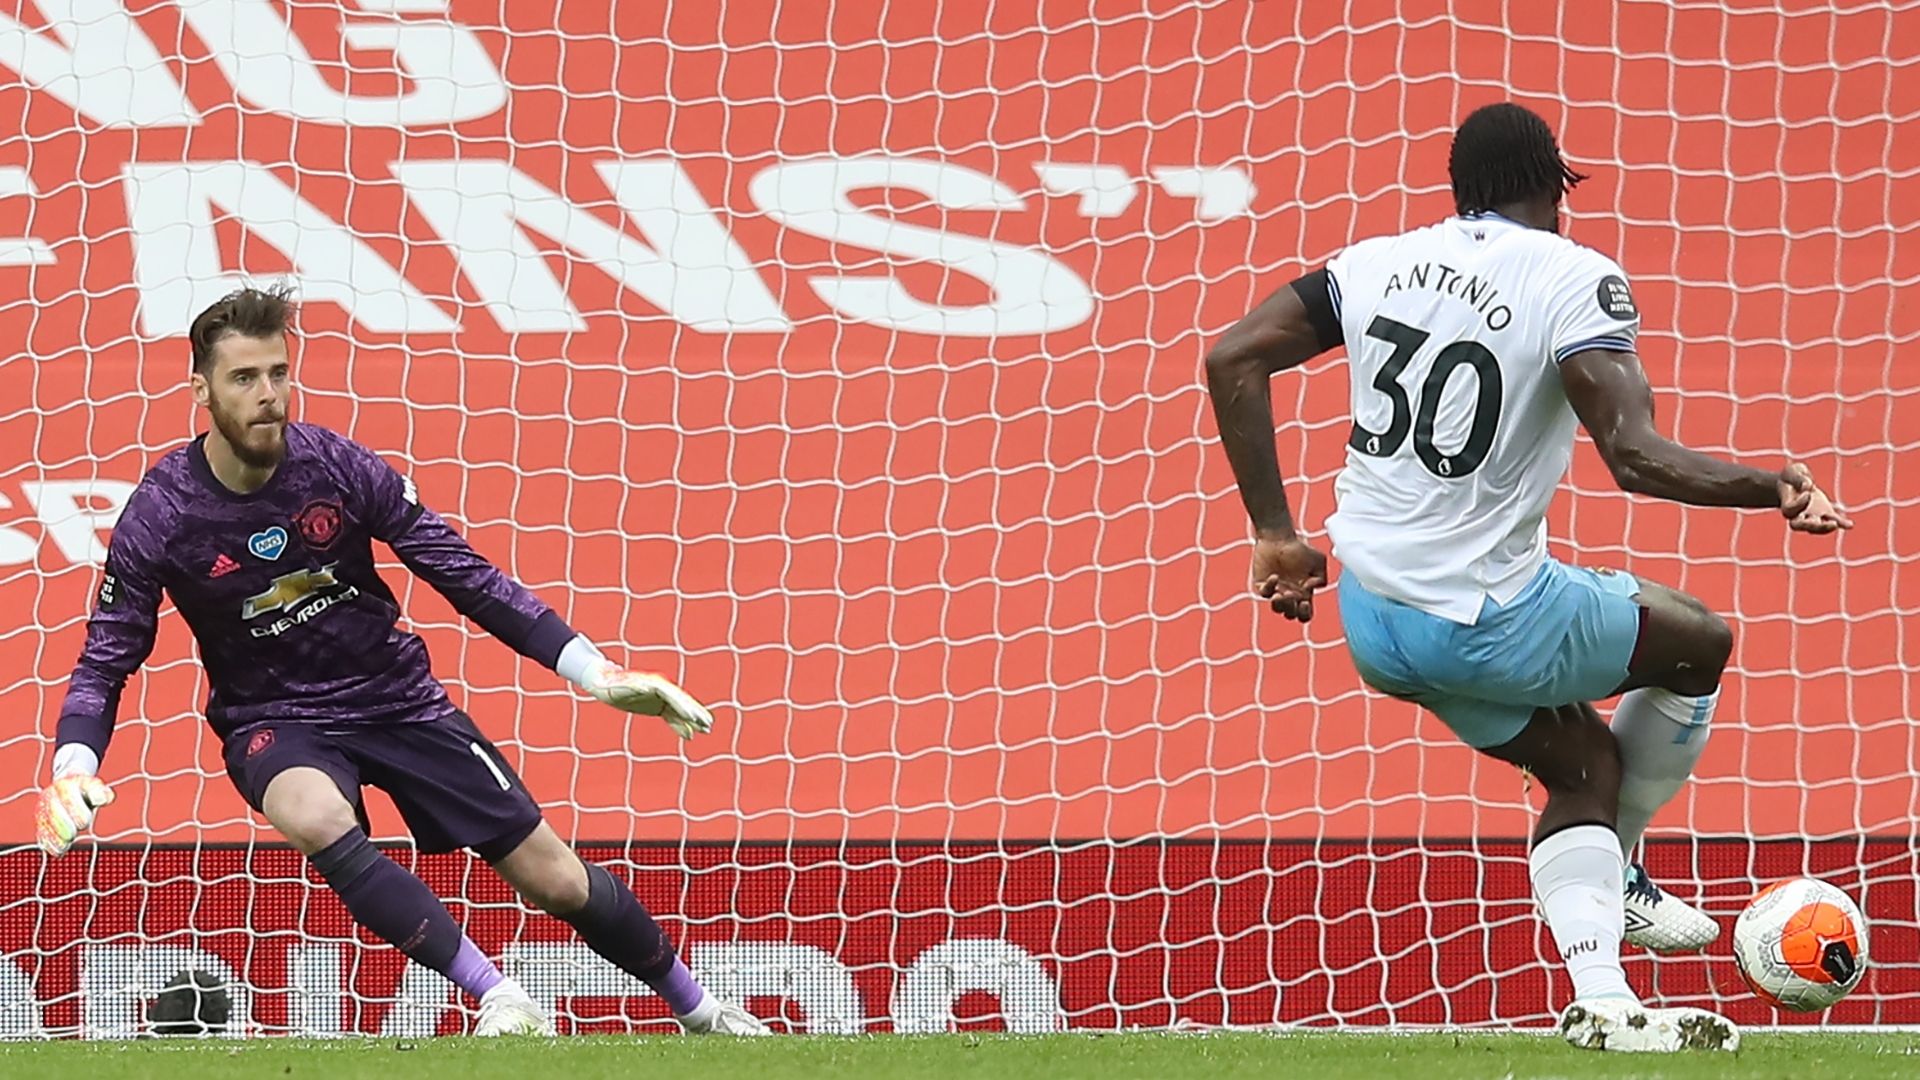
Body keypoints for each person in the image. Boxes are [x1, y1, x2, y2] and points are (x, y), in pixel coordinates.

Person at [1203, 102, 1849, 1052]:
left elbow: (1232, 355)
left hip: (1373, 619)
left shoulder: (1375, 262)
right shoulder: (1573, 278)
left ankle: (1605, 1001)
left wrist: (1275, 533)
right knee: (1697, 641)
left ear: (1460, 189)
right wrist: (1773, 485)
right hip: (1488, 619)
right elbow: (1633, 456)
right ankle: (1620, 875)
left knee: (1584, 767)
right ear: (1556, 186)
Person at [36, 285, 769, 1038]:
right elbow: (106, 656)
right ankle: (501, 997)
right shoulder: (162, 513)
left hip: (399, 699)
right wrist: (73, 765)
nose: (268, 395)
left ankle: (703, 1012)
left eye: (279, 374)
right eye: (243, 378)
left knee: (555, 879)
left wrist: (596, 672)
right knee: (312, 812)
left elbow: (463, 572)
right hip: (275, 718)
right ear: (201, 390)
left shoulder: (338, 467)